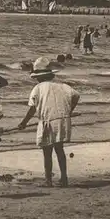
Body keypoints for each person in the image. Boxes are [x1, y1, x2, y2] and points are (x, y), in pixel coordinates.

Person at [18, 57, 80, 187]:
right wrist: (69, 110)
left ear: (39, 77)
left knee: (47, 152)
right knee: (59, 149)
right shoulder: (62, 86)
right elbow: (76, 96)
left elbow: (32, 109)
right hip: (62, 119)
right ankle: (64, 178)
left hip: (47, 120)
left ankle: (48, 180)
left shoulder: (38, 88)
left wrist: (23, 123)